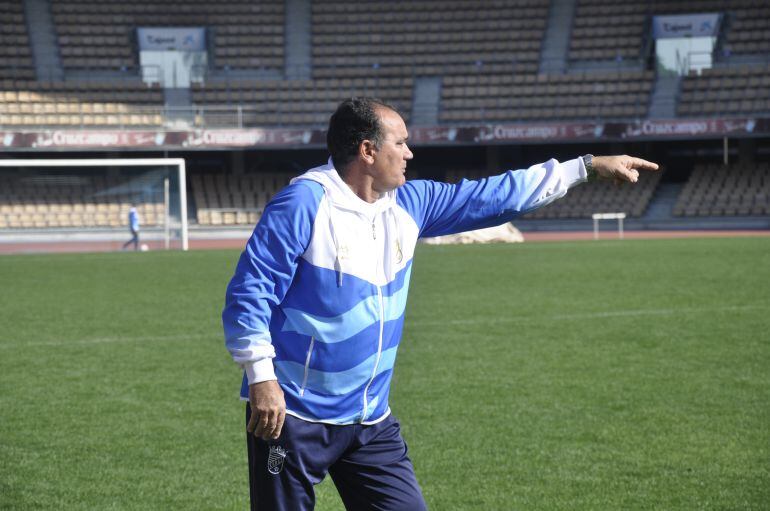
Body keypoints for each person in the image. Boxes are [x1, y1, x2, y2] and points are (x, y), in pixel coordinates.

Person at [222, 97, 658, 510]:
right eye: (401, 142)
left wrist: (584, 167)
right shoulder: (303, 203)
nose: (410, 153)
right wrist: (261, 378)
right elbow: (251, 291)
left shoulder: (411, 203)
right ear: (368, 150)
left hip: (370, 419)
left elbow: (494, 195)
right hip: (292, 415)